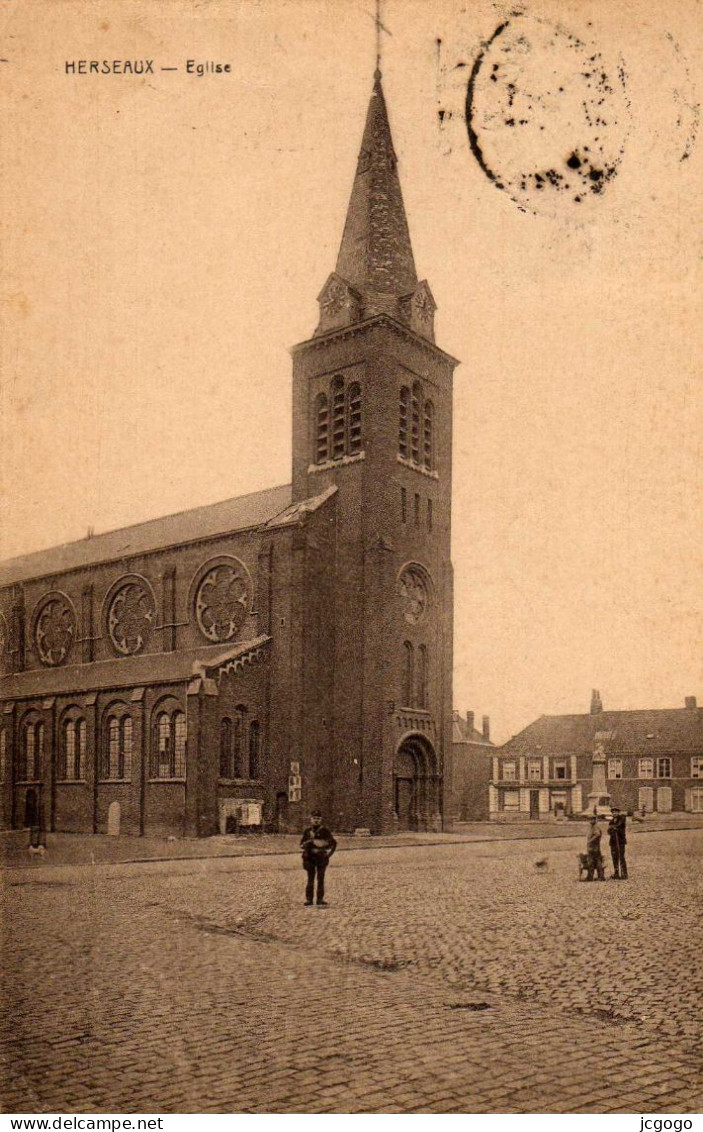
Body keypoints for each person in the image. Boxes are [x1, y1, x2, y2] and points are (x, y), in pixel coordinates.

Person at [300, 810, 337, 906]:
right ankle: (309, 900)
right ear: (311, 820)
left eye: (318, 819)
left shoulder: (325, 831)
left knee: (320, 879)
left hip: (321, 858)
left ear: (321, 820)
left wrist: (328, 855)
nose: (316, 820)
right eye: (314, 818)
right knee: (310, 879)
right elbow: (301, 845)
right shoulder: (307, 831)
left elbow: (333, 843)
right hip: (310, 858)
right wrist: (308, 842)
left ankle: (320, 899)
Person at [608, 807, 628, 879]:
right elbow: (609, 831)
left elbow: (619, 826)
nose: (614, 813)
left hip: (620, 842)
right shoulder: (611, 821)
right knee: (614, 857)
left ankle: (624, 874)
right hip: (613, 842)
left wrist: (615, 828)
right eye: (613, 812)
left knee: (621, 857)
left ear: (618, 813)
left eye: (616, 812)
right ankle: (616, 873)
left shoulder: (621, 819)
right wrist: (613, 829)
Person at [586, 815, 605, 881]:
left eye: (593, 819)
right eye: (590, 820)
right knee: (594, 861)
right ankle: (597, 876)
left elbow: (597, 834)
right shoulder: (591, 827)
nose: (591, 821)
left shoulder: (595, 827)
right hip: (593, 847)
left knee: (594, 861)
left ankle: (596, 877)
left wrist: (590, 841)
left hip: (595, 847)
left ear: (595, 820)